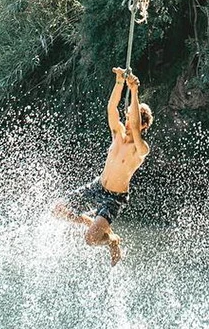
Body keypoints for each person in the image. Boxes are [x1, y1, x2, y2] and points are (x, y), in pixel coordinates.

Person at [52, 67, 152, 266]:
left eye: (135, 121)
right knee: (58, 209)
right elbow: (112, 108)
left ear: (143, 126)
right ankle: (87, 220)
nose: (130, 122)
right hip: (97, 187)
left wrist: (134, 90)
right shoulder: (118, 134)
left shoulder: (140, 149)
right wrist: (119, 82)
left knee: (90, 239)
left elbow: (134, 119)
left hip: (114, 199)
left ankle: (112, 241)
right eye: (129, 118)